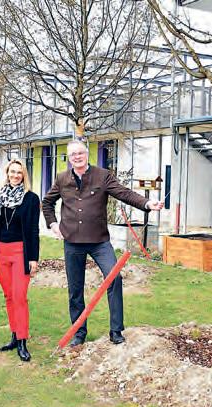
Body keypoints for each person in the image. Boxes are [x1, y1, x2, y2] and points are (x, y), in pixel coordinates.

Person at [42, 139, 164, 346]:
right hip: (72, 241)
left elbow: (124, 193)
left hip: (99, 241)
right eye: (73, 154)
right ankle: (79, 333)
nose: (77, 157)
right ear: (69, 158)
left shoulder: (103, 175)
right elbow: (47, 203)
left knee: (114, 279)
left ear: (86, 153)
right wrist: (53, 224)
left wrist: (146, 203)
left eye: (80, 153)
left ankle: (116, 330)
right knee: (75, 289)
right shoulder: (62, 178)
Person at [0, 159, 41, 362]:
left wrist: (33, 258)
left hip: (21, 252)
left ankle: (22, 341)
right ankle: (14, 335)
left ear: (24, 175)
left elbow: (34, 230)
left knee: (19, 296)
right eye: (12, 171)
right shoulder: (0, 196)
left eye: (19, 172)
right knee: (9, 296)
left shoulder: (31, 198)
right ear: (7, 173)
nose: (15, 175)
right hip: (1, 252)